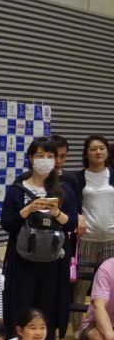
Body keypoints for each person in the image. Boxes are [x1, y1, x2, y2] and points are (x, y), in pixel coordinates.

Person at [0, 137, 78, 340]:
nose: (45, 160)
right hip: (22, 260)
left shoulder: (64, 189)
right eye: (40, 155)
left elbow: (72, 224)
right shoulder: (17, 190)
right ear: (31, 158)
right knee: (20, 308)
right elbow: (6, 223)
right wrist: (28, 209)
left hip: (54, 261)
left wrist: (56, 213)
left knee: (48, 310)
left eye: (50, 156)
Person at [65, 135, 114, 328]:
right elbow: (72, 206)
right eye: (93, 149)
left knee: (109, 286)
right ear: (86, 153)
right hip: (86, 238)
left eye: (102, 148)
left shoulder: (112, 174)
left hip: (111, 238)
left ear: (107, 151)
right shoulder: (77, 178)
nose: (98, 152)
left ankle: (107, 326)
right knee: (81, 285)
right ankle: (79, 328)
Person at [78, 256, 114, 340]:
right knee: (97, 337)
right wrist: (110, 336)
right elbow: (99, 307)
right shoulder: (107, 268)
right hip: (97, 325)